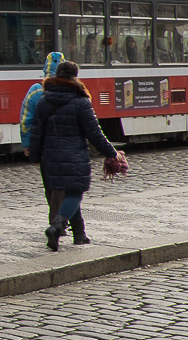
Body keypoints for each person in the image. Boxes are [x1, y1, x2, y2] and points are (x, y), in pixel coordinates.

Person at [27, 61, 122, 251]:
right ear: (75, 77)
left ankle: (79, 234)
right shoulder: (81, 101)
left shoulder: (44, 100)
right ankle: (56, 227)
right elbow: (94, 133)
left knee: (67, 190)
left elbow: (36, 132)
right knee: (74, 193)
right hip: (74, 155)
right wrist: (112, 152)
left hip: (51, 157)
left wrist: (35, 156)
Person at [19, 51, 64, 226]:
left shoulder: (35, 91)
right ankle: (72, 225)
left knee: (50, 186)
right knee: (69, 187)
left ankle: (56, 221)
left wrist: (28, 144)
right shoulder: (76, 89)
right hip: (69, 147)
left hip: (46, 147)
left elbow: (25, 121)